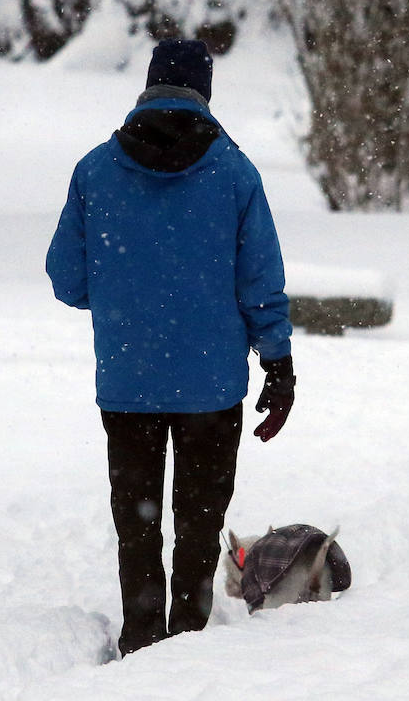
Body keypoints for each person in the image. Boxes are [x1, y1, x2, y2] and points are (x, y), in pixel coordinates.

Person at [45, 38, 295, 657]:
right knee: (198, 523)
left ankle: (140, 636)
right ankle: (187, 640)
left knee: (138, 523)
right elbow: (259, 280)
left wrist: (128, 293)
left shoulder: (95, 171)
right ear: (204, 94)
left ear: (148, 87)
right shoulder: (234, 173)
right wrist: (278, 363)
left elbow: (67, 279)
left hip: (128, 381)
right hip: (211, 386)